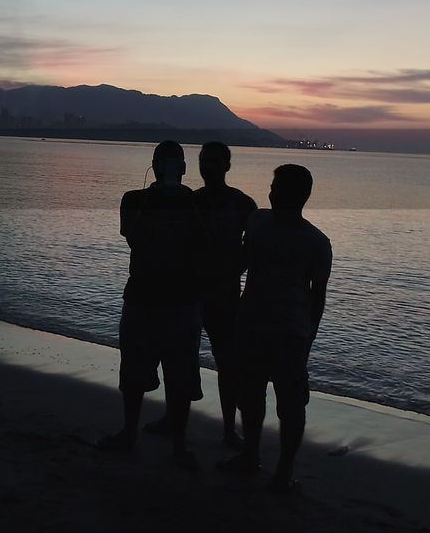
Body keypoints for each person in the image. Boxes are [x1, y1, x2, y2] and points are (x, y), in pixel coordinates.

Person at [218, 164, 332, 493]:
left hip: (290, 334)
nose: (272, 191)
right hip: (251, 324)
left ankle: (284, 471)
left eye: (280, 187)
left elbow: (318, 296)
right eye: (273, 185)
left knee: (291, 405)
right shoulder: (258, 221)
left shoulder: (316, 242)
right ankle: (250, 455)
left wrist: (309, 337)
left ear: (301, 195)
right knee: (249, 396)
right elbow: (242, 262)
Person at [97, 140, 207, 472]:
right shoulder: (134, 199)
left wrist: (184, 202)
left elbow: (203, 243)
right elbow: (133, 235)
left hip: (183, 301)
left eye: (174, 162)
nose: (169, 167)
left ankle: (178, 445)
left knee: (181, 377)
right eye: (164, 162)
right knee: (133, 372)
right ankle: (129, 432)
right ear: (154, 167)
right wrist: (154, 199)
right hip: (142, 298)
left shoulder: (195, 202)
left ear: (184, 169)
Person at [143, 141, 256, 449]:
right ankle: (172, 417)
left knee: (228, 363)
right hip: (187, 292)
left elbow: (254, 249)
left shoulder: (243, 204)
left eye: (216, 161)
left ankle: (229, 429)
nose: (209, 167)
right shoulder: (188, 200)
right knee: (179, 359)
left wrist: (235, 271)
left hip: (226, 296)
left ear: (227, 165)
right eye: (205, 161)